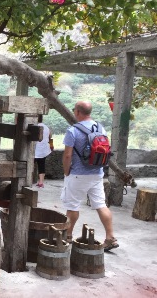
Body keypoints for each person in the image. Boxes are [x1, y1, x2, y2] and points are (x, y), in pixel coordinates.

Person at [61, 101, 118, 251]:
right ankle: (110, 237)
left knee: (72, 206)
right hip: (97, 174)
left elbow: (67, 156)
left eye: (74, 110)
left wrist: (66, 171)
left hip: (78, 175)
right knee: (101, 205)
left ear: (78, 112)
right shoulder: (101, 129)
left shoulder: (72, 131)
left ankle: (67, 236)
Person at [34, 115, 53, 188]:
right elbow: (50, 137)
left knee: (30, 165)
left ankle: (27, 180)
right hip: (44, 150)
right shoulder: (46, 127)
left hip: (35, 150)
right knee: (41, 165)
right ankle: (41, 182)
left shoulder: (34, 127)